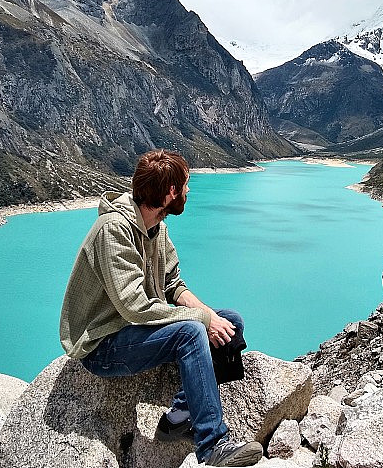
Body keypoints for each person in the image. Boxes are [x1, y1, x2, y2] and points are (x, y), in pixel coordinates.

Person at [59, 149, 262, 467]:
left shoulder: (158, 229)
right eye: (185, 184)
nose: (188, 191)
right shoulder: (112, 230)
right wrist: (203, 320)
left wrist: (212, 317)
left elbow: (174, 287)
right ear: (170, 193)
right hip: (102, 345)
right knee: (192, 332)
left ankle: (179, 417)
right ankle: (212, 445)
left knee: (229, 321)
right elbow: (135, 307)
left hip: (132, 331)